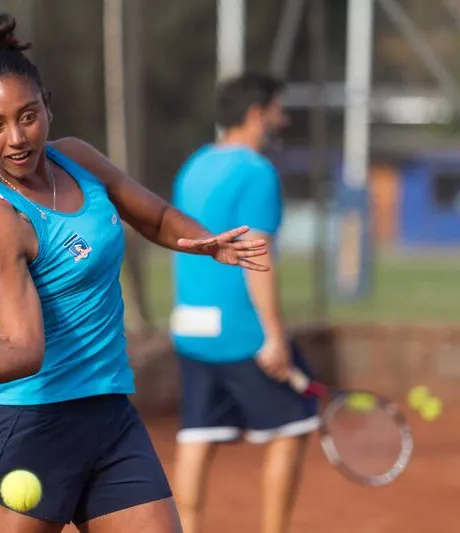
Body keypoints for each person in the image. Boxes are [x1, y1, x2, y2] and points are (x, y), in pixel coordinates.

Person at [0, 13, 268, 533]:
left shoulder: (78, 161)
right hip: (31, 426)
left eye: (28, 115)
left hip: (109, 415)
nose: (16, 138)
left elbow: (152, 215)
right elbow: (23, 347)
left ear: (47, 105)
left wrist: (204, 243)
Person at [168, 72, 319, 533]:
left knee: (197, 433)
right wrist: (274, 334)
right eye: (278, 109)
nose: (283, 118)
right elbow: (256, 254)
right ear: (256, 114)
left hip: (189, 324)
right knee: (294, 427)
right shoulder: (256, 171)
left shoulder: (194, 164)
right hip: (241, 330)